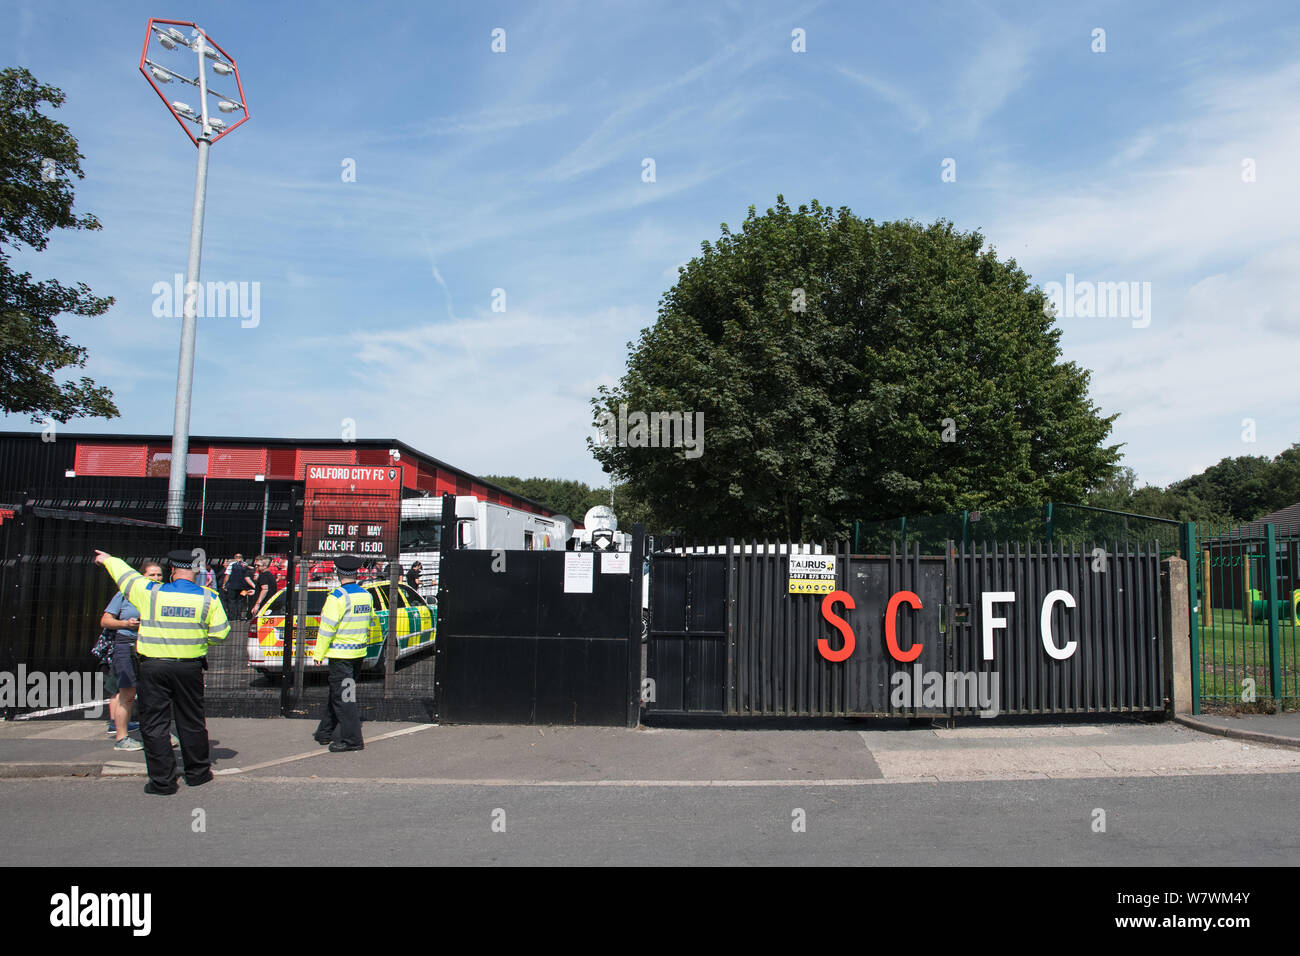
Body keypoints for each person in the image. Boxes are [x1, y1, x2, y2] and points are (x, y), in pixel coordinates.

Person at [94, 547, 230, 795]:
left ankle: (162, 782)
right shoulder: (209, 597)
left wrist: (108, 560)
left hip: (154, 667)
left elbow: (127, 576)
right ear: (196, 570)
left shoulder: (151, 593)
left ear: (172, 571)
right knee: (191, 720)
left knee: (154, 722)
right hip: (189, 667)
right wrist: (199, 641)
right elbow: (221, 633)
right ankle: (198, 774)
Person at [99, 560, 165, 751]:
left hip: (153, 646)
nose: (156, 578)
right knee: (127, 693)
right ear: (142, 576)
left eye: (159, 575)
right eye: (152, 575)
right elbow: (106, 620)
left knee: (154, 693)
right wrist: (126, 624)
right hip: (127, 645)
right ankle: (121, 737)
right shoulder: (125, 594)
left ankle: (157, 734)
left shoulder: (164, 595)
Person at [311, 554, 375, 752]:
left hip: (341, 656)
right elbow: (370, 621)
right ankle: (325, 732)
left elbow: (327, 629)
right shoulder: (366, 595)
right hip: (358, 653)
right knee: (338, 693)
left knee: (345, 698)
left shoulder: (337, 597)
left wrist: (318, 653)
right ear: (356, 573)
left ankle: (352, 740)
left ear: (338, 573)